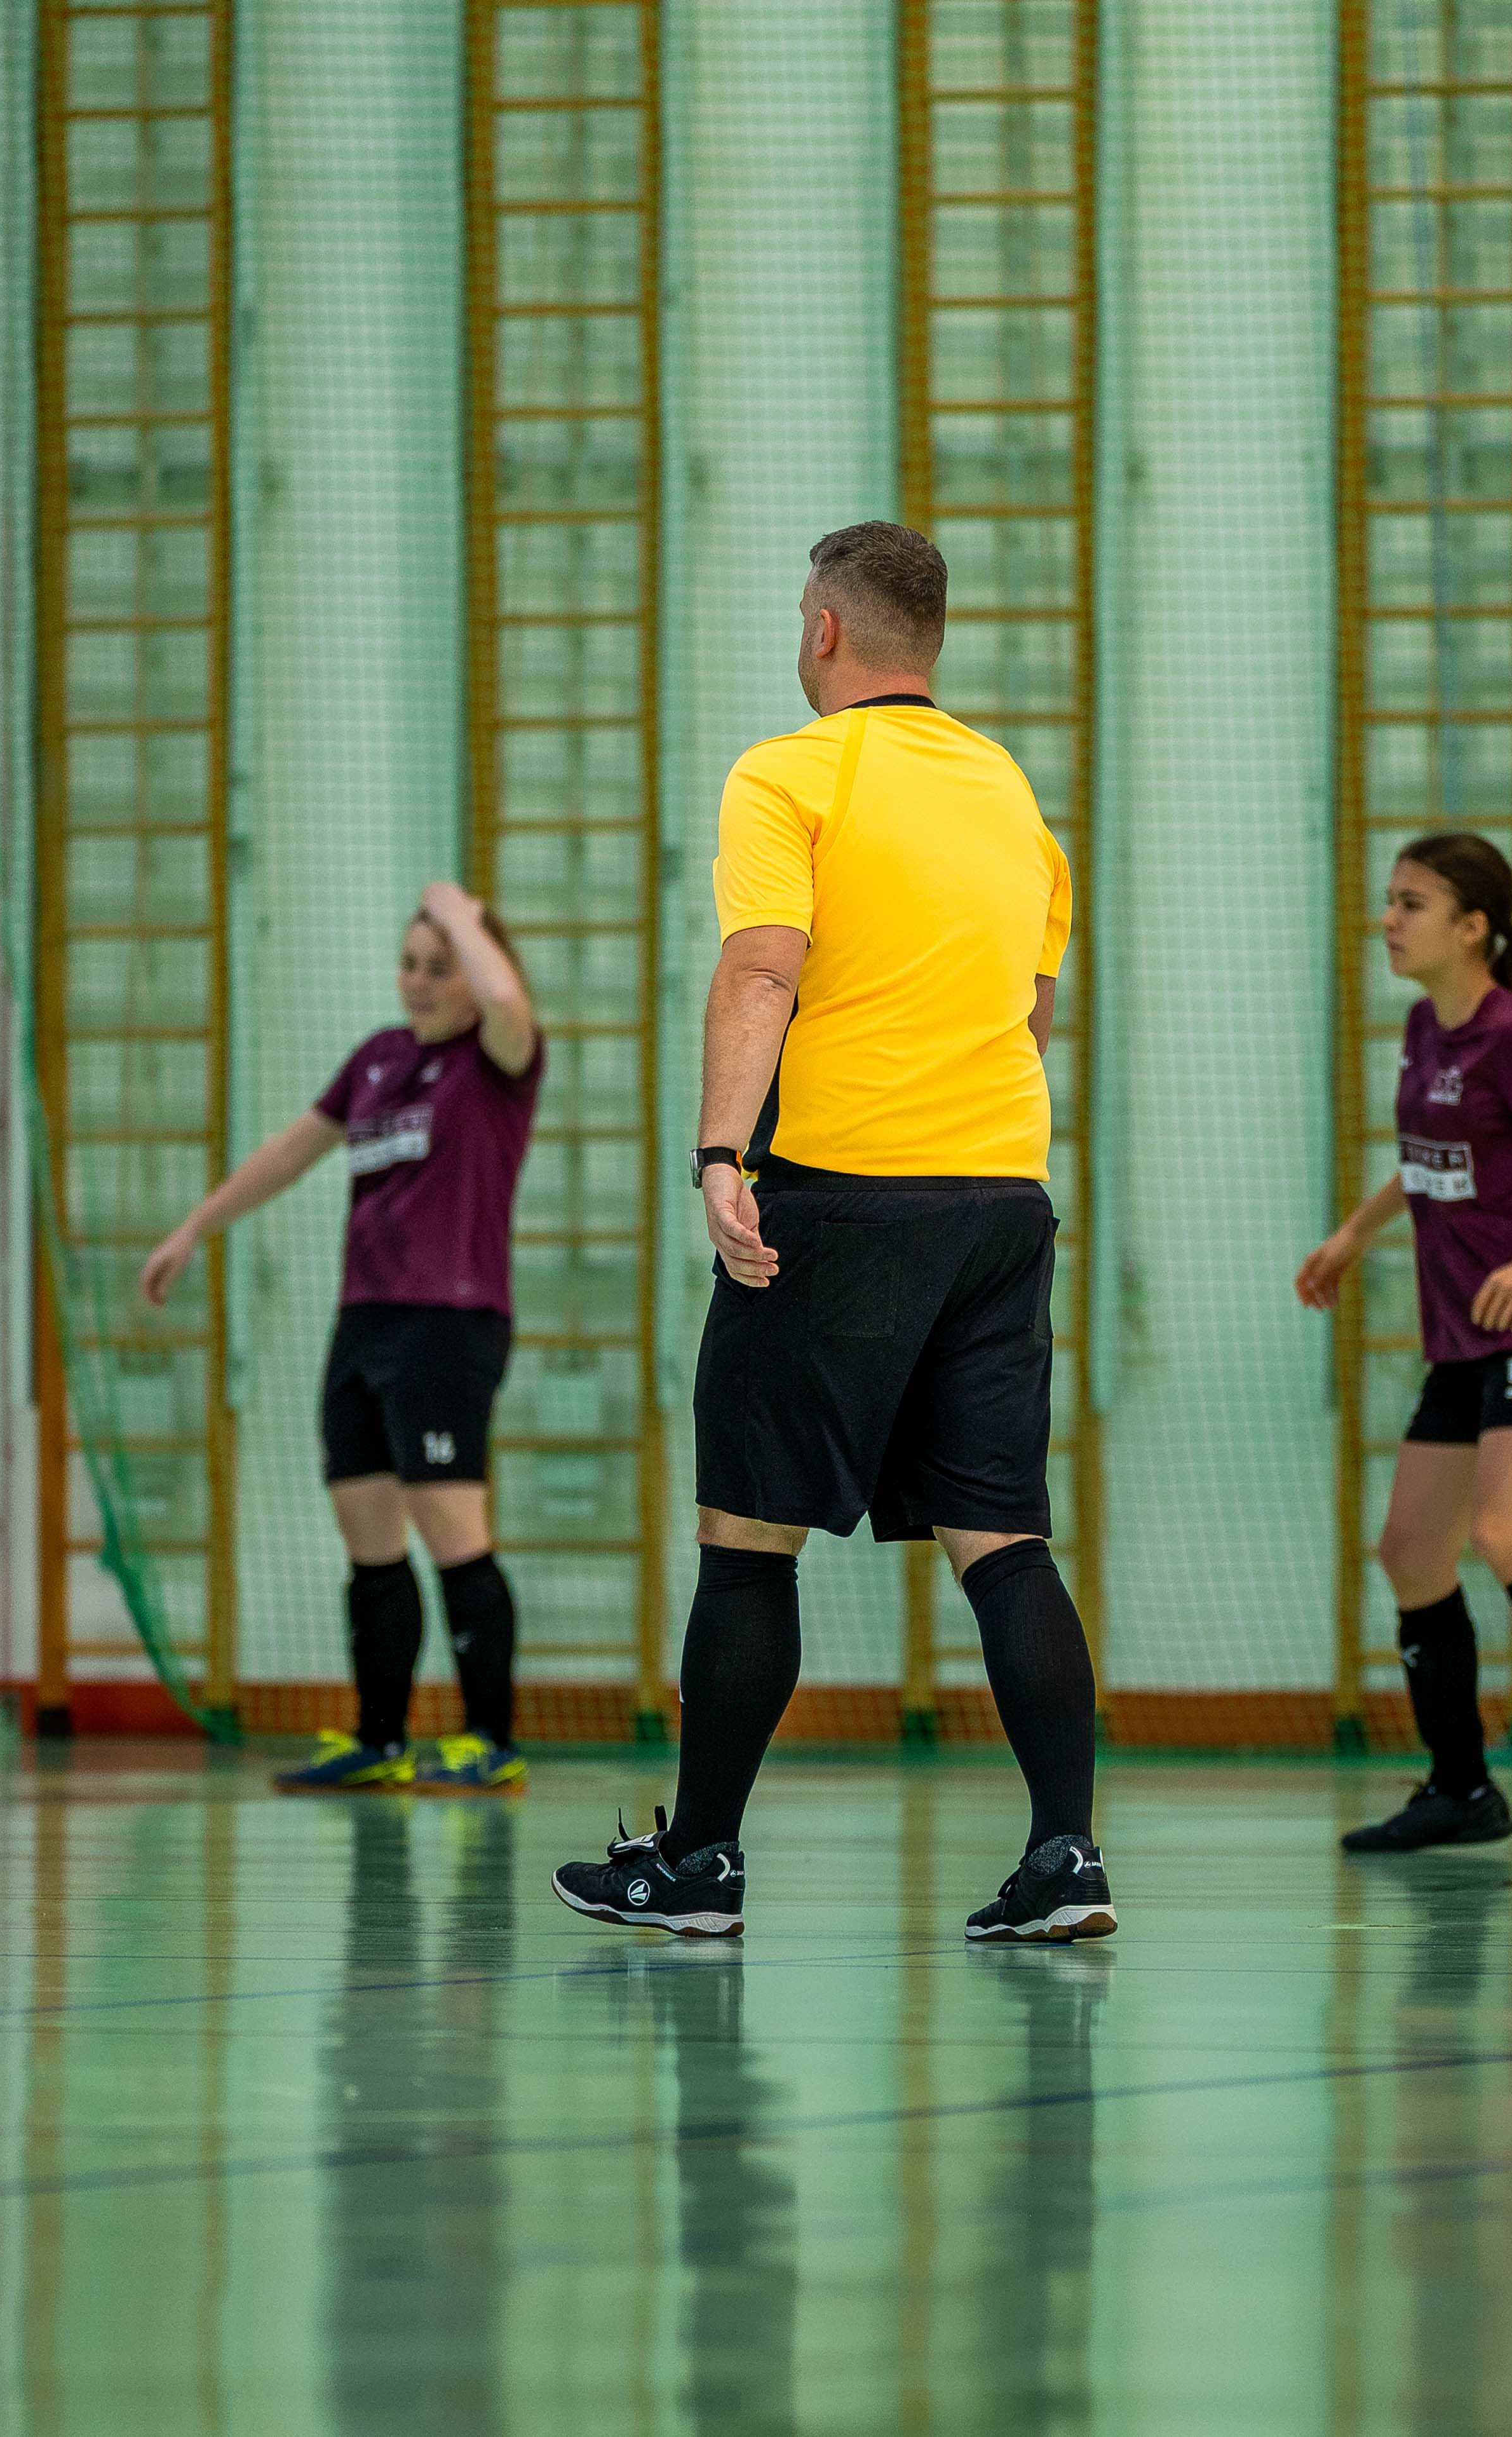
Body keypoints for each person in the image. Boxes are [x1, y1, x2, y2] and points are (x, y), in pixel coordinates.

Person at [551, 519, 1112, 1944]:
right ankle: (1065, 1857)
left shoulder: (789, 773)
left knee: (749, 1535)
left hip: (841, 1192)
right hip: (1000, 1198)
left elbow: (762, 970)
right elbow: (1031, 1011)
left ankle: (700, 1864)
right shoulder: (1010, 793)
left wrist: (719, 1153)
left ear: (825, 630)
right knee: (1003, 1538)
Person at [141, 882, 541, 1795]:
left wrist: (464, 917)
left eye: (439, 967)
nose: (418, 981)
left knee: (452, 1529)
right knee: (366, 1532)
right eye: (409, 964)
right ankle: (380, 1740)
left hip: (449, 1324)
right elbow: (291, 1149)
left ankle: (491, 1739)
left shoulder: (497, 1061)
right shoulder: (377, 1060)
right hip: (364, 1321)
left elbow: (506, 998)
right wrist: (195, 1227)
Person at [1297, 833, 1512, 1853]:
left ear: (1472, 927)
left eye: (1411, 904)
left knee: (1504, 1531)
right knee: (1410, 1551)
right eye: (1389, 899)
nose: (1388, 920)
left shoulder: (1511, 1036)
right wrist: (1354, 1235)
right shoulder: (1425, 1028)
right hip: (1463, 1337)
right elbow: (1428, 1157)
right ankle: (1461, 1788)